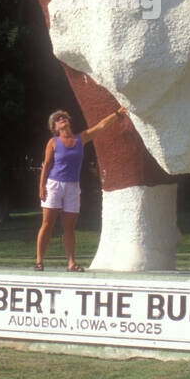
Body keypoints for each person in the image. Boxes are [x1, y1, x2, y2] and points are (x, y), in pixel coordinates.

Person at [35, 106, 129, 271]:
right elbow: (47, 165)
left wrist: (117, 114)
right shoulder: (53, 142)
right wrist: (41, 187)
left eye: (63, 117)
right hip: (54, 185)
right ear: (54, 128)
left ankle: (71, 263)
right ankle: (39, 261)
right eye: (57, 119)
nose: (61, 119)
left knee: (69, 227)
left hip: (73, 187)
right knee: (47, 223)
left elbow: (100, 126)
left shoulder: (81, 138)